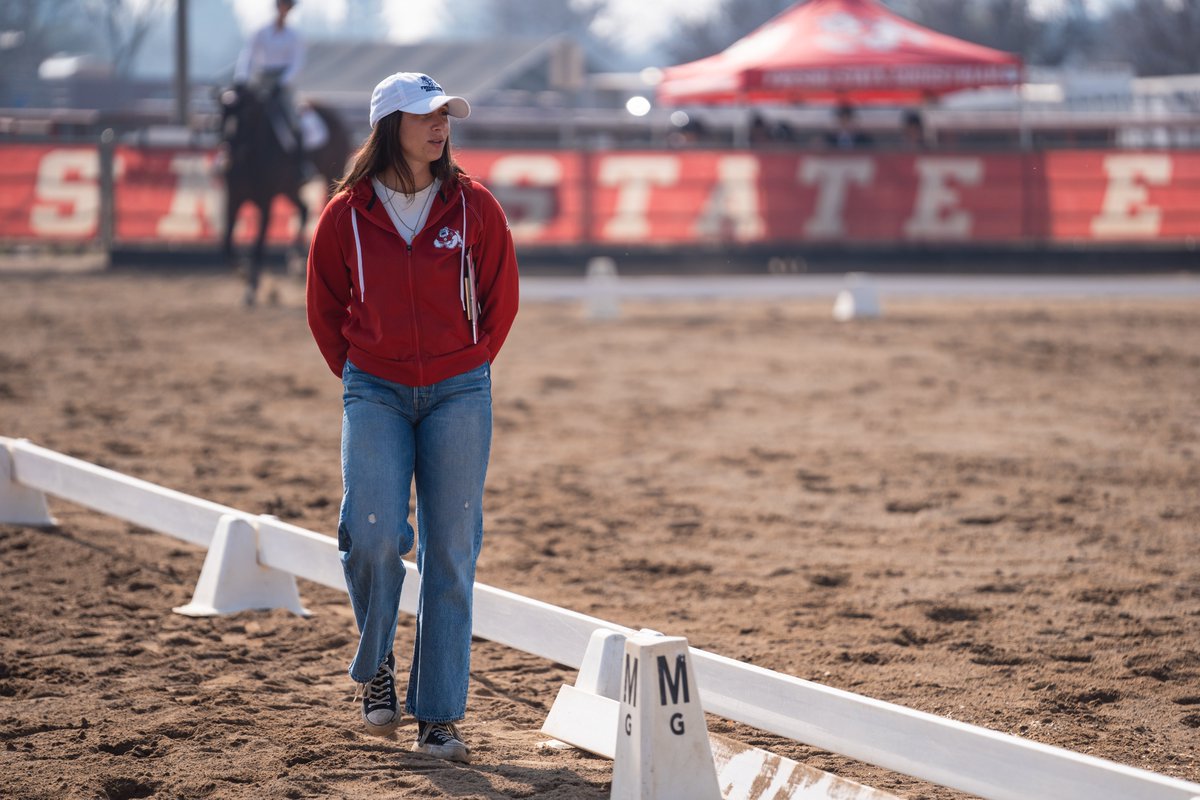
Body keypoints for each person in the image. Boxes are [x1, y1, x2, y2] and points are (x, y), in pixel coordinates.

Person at [305, 72, 519, 763]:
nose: (440, 125)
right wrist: (366, 372)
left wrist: (468, 361)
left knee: (451, 553)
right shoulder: (345, 213)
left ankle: (438, 717)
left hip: (460, 391)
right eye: (425, 115)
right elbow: (324, 304)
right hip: (376, 391)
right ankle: (378, 665)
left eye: (444, 115)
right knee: (369, 532)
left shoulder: (474, 205)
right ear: (387, 124)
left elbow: (501, 295)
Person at [232, 0, 305, 163]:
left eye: (287, 6)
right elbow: (248, 55)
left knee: (293, 120)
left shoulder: (294, 35)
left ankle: (301, 164)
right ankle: (231, 155)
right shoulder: (261, 31)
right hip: (261, 78)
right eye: (281, 5)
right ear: (277, 6)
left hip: (282, 82)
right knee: (240, 112)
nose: (283, 9)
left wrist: (282, 83)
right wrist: (242, 79)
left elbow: (296, 63)